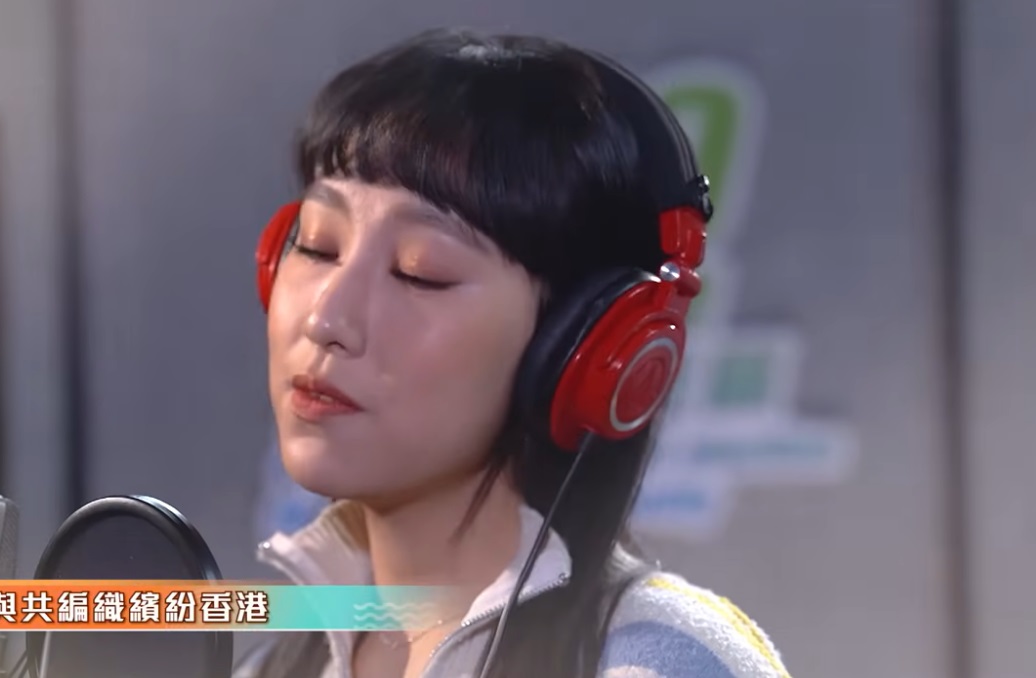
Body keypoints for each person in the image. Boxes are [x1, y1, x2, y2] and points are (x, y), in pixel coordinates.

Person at [239, 27, 790, 678]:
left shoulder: (659, 663)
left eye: (420, 272)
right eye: (317, 245)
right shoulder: (271, 667)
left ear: (587, 344)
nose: (326, 318)